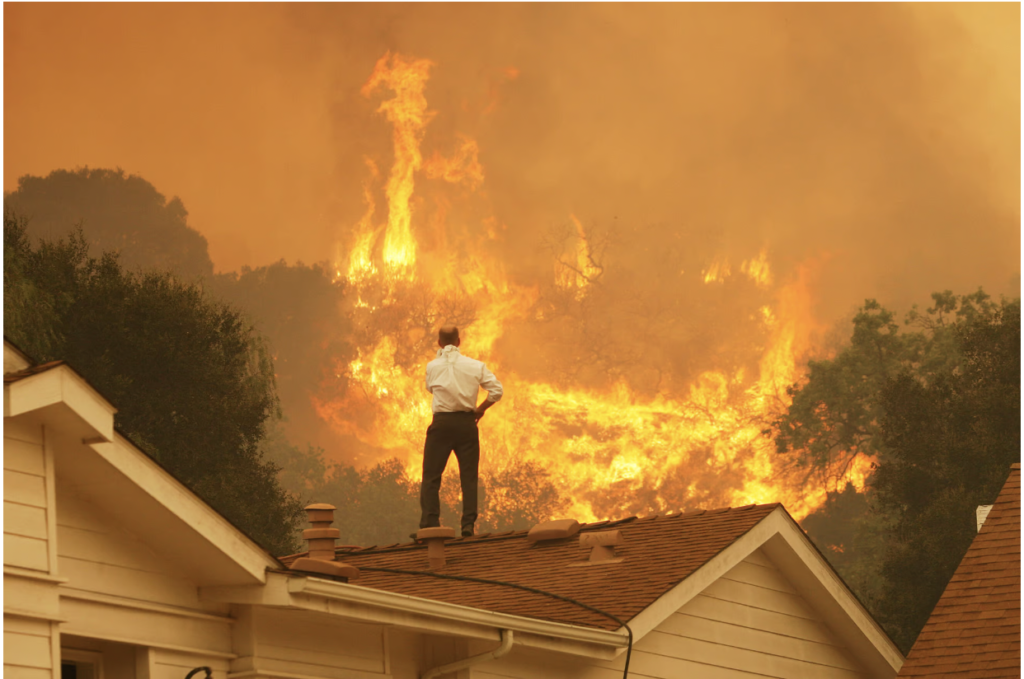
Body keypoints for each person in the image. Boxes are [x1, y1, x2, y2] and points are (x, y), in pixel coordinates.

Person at [419, 325, 502, 537]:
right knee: (469, 478)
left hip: (442, 424)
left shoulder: (432, 366)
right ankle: (468, 525)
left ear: (439, 343)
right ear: (459, 341)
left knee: (431, 477)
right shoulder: (476, 366)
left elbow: (430, 388)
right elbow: (496, 391)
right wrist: (480, 410)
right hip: (466, 424)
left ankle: (430, 525)